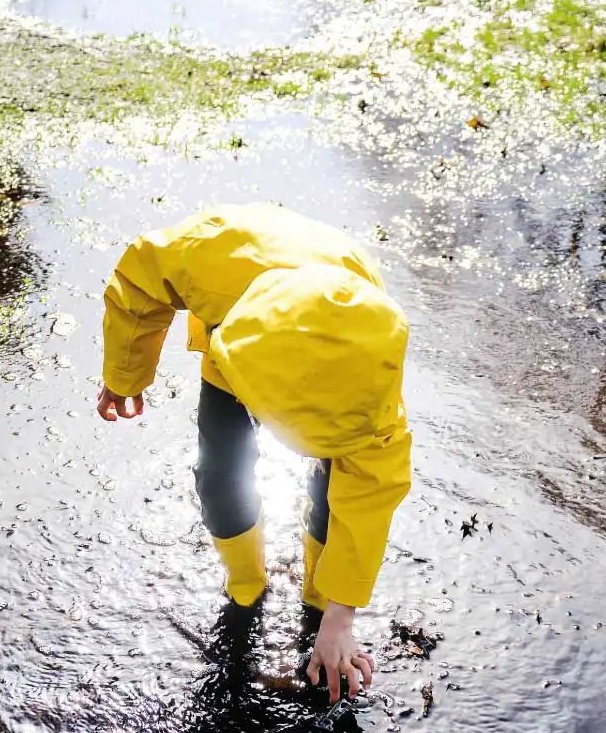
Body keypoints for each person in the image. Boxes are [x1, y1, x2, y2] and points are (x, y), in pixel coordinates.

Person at [96, 202, 412, 702]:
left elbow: (372, 489)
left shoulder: (367, 377)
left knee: (339, 487)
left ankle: (315, 594)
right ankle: (245, 583)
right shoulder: (203, 257)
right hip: (235, 340)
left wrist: (339, 612)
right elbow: (138, 286)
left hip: (335, 350)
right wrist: (125, 376)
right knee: (221, 473)